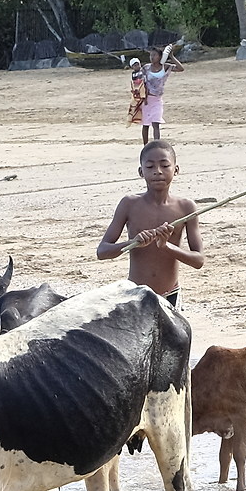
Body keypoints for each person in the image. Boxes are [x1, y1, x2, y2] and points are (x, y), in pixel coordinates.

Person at [96, 139, 203, 304]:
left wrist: (166, 246)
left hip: (170, 295)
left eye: (165, 165)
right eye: (150, 166)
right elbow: (102, 252)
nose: (158, 171)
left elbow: (198, 261)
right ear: (141, 172)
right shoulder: (129, 204)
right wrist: (133, 242)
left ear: (176, 170)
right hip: (136, 295)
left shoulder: (186, 207)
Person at [134, 45, 182, 144]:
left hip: (157, 100)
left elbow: (180, 68)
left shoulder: (166, 67)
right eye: (151, 55)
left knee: (156, 123)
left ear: (160, 56)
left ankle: (156, 145)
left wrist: (171, 56)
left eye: (154, 55)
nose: (152, 57)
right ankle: (146, 146)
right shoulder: (146, 68)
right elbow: (138, 82)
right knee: (146, 125)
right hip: (146, 99)